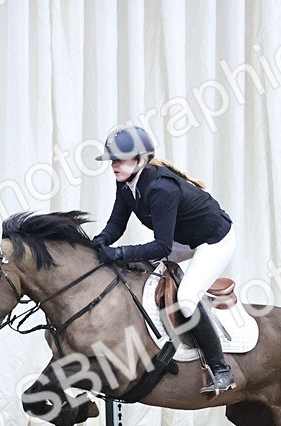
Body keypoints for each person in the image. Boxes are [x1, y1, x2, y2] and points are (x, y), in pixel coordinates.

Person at [89, 124, 237, 395]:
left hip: (213, 240)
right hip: (182, 240)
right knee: (138, 274)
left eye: (119, 159)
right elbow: (117, 223)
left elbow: (160, 246)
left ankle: (220, 369)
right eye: (112, 160)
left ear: (140, 160)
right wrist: (101, 240)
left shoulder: (161, 189)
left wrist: (119, 253)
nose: (113, 165)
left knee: (187, 297)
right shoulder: (127, 183)